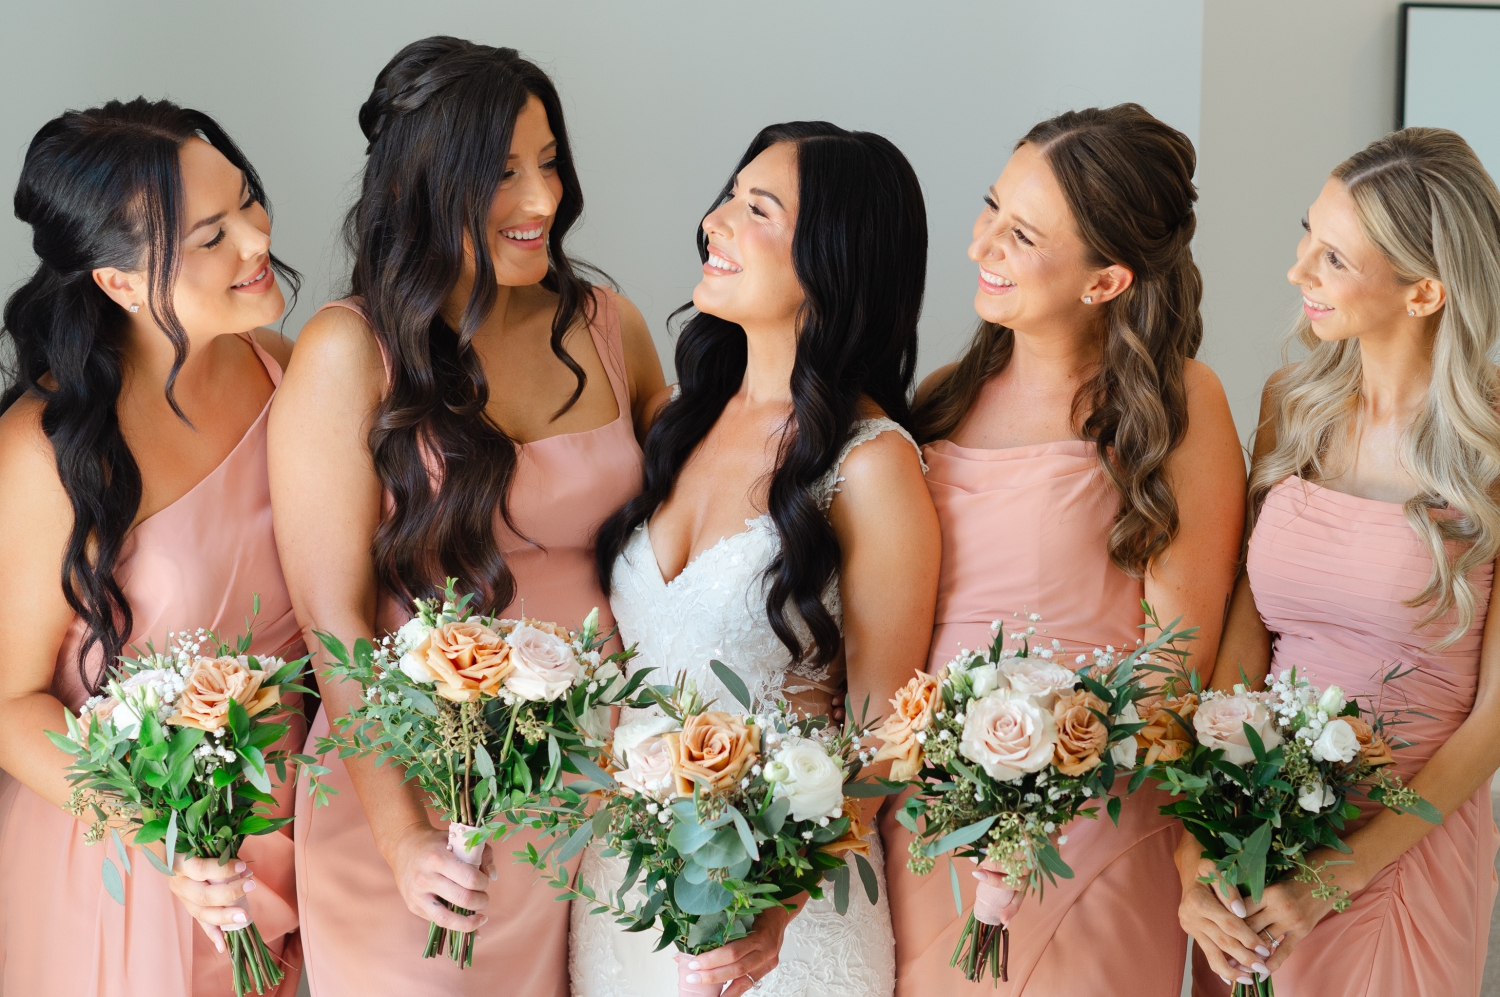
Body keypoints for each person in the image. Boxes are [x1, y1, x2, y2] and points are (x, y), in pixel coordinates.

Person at [269, 37, 664, 996]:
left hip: (592, 796)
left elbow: (684, 539)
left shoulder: (612, 326)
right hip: (417, 797)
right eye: (502, 173)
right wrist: (405, 838)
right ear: (425, 184)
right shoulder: (346, 351)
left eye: (549, 162)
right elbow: (334, 622)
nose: (542, 200)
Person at [573, 121, 941, 997]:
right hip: (623, 897)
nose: (716, 220)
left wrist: (777, 898)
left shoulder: (871, 464)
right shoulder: (677, 419)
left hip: (784, 922)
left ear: (830, 258)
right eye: (729, 194)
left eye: (757, 208)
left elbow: (887, 735)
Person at [885, 104, 1245, 996]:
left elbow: (1177, 664)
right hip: (935, 821)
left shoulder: (1181, 404)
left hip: (1091, 826)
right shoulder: (942, 396)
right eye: (991, 208)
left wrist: (1040, 787)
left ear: (1105, 279)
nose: (981, 246)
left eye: (1021, 234)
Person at [1179, 127, 1500, 997]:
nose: (1298, 272)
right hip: (1260, 837)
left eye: (1332, 258)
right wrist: (1201, 838)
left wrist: (1344, 872)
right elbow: (1251, 625)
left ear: (1425, 290)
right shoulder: (1293, 406)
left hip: (1402, 851)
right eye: (1306, 238)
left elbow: (1494, 721)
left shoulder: (1495, 448)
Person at [0, 97, 305, 996]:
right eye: (211, 236)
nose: (256, 240)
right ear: (119, 282)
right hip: (132, 876)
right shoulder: (46, 450)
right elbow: (10, 701)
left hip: (292, 843)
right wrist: (166, 835)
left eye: (247, 201)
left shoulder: (283, 367)